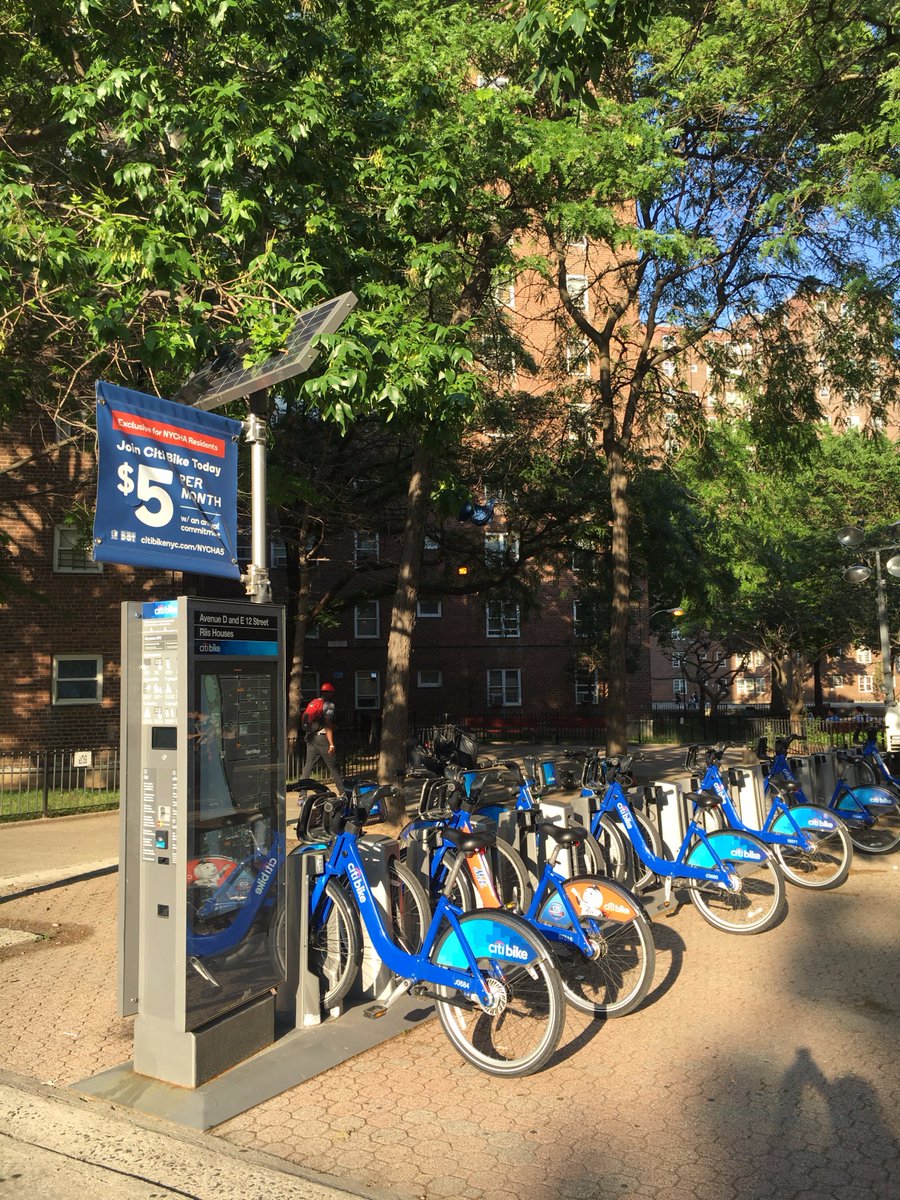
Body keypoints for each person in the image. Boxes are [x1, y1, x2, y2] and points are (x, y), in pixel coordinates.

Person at [302, 682, 344, 791]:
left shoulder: (314, 702)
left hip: (310, 737)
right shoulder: (329, 705)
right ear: (330, 693)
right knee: (333, 767)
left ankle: (301, 795)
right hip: (322, 738)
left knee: (308, 766)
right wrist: (331, 744)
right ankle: (343, 792)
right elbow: (327, 725)